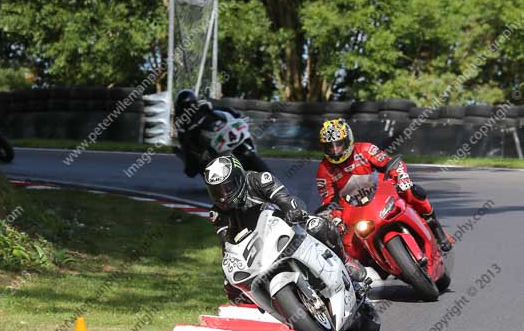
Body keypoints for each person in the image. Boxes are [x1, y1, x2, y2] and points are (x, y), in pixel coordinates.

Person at [204, 154, 367, 304]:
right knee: (231, 288)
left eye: (227, 188)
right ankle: (277, 306)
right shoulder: (218, 213)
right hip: (259, 250)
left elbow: (284, 198)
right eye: (216, 191)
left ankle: (345, 261)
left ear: (239, 178)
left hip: (287, 226)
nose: (223, 196)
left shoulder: (258, 180)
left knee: (319, 226)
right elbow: (227, 246)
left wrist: (292, 211)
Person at [316, 118, 454, 253]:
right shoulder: (324, 170)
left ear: (347, 140)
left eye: (338, 144)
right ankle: (362, 271)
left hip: (379, 192)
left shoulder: (365, 149)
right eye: (330, 147)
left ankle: (438, 232)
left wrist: (401, 177)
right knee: (344, 242)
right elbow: (329, 200)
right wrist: (335, 217)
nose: (335, 150)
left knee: (414, 192)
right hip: (353, 207)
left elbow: (390, 163)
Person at [174, 88, 241, 177]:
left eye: (190, 106)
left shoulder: (203, 105)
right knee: (191, 168)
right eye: (185, 107)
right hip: (200, 142)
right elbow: (184, 139)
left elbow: (220, 109)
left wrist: (235, 114)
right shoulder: (179, 120)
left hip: (215, 130)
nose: (188, 109)